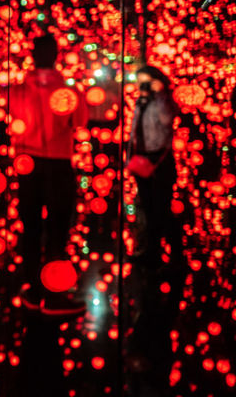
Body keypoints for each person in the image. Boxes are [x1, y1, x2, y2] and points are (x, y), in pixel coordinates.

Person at [9, 33, 88, 316]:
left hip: (27, 163)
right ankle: (54, 294)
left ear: (32, 55)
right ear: (55, 55)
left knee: (30, 228)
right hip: (58, 162)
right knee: (57, 230)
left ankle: (32, 289)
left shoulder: (16, 90)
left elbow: (7, 121)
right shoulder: (69, 91)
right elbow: (80, 123)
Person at [126, 65, 181, 397]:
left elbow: (165, 131)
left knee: (160, 209)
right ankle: (154, 250)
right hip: (143, 159)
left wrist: (154, 157)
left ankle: (166, 252)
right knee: (149, 209)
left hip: (158, 162)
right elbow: (137, 130)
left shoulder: (161, 101)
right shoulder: (141, 102)